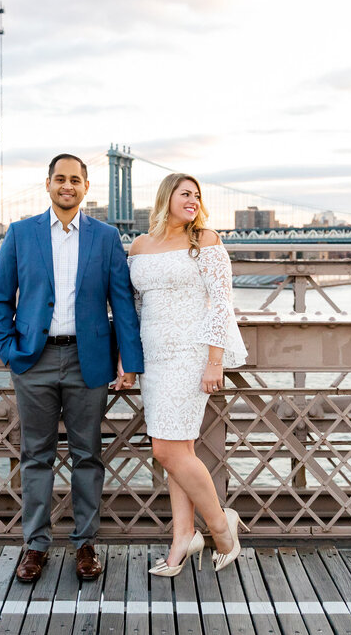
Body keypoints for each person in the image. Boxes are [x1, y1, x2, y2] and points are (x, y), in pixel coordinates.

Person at [0, 153, 145, 583]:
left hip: (88, 360)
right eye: (60, 178)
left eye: (75, 179)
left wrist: (128, 360)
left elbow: (122, 304)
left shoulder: (106, 236)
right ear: (48, 184)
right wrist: (9, 350)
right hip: (33, 361)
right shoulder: (20, 234)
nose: (67, 186)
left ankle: (86, 545)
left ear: (86, 187)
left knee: (87, 457)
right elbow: (0, 298)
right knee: (35, 456)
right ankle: (35, 547)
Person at [125, 172, 249, 575]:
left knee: (167, 450)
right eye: (185, 193)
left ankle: (220, 526)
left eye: (197, 195)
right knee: (178, 451)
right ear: (166, 198)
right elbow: (135, 306)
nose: (193, 200)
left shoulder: (207, 241)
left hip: (190, 355)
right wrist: (127, 359)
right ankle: (182, 536)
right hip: (154, 355)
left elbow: (220, 304)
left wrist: (215, 360)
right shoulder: (140, 245)